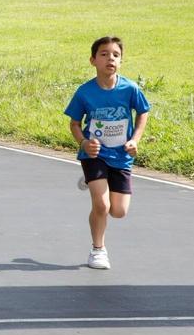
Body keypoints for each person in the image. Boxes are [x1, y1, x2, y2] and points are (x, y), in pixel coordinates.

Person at [65, 36, 151, 270]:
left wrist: (135, 140)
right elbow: (74, 123)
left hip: (121, 156)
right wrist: (83, 143)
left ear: (121, 61)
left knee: (119, 211)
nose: (109, 58)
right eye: (103, 54)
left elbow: (143, 112)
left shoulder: (130, 88)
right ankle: (98, 250)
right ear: (93, 60)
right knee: (101, 206)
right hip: (95, 155)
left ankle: (93, 182)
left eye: (115, 55)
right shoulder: (84, 92)